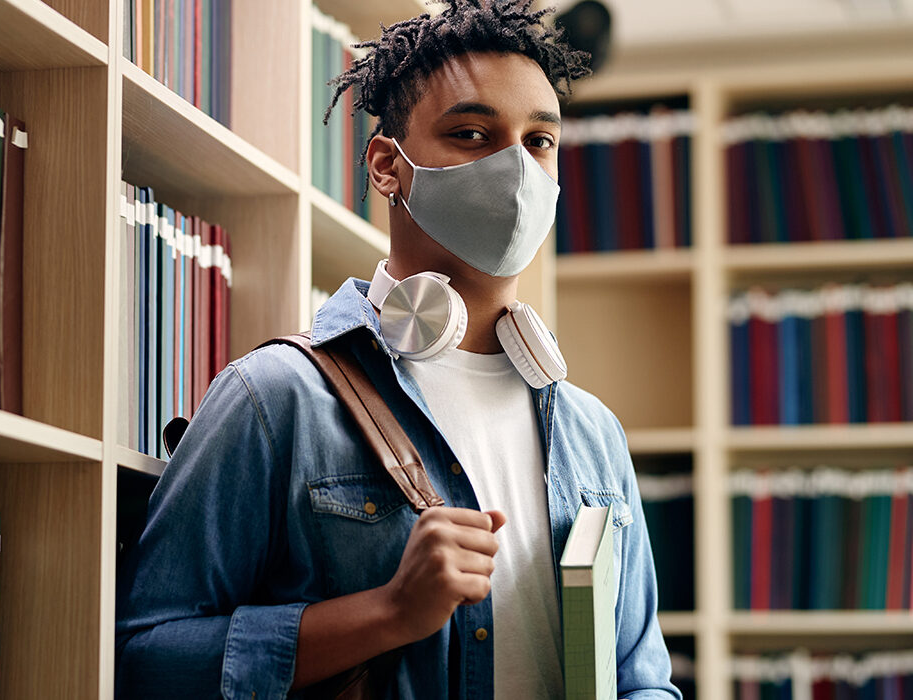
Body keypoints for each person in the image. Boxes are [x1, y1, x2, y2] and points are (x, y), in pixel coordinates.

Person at [115, 1, 681, 697]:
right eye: (472, 133)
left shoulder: (593, 435)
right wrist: (387, 613)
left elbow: (643, 678)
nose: (516, 170)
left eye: (538, 142)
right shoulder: (273, 398)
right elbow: (149, 658)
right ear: (387, 166)